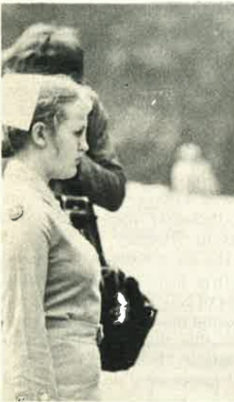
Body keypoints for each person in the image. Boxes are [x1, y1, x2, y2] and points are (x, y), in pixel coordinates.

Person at [2, 74, 100, 401]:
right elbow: (22, 330)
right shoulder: (24, 210)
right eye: (77, 132)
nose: (84, 145)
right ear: (41, 133)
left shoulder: (42, 202)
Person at [2, 23, 127, 261]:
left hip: (70, 236)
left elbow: (114, 191)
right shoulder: (10, 100)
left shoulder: (84, 108)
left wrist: (69, 149)